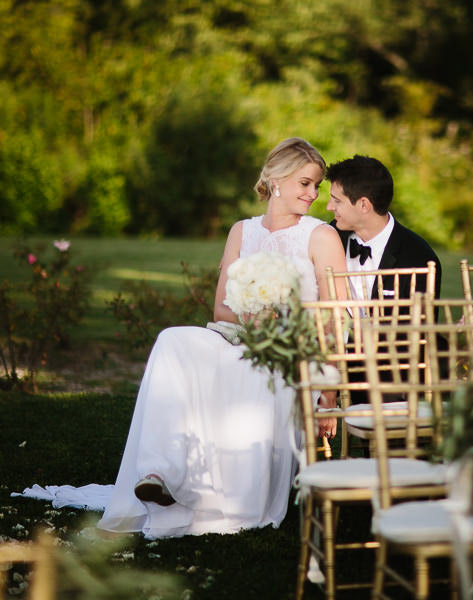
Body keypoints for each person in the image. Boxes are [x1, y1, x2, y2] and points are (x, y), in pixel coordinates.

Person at [96, 138, 347, 538]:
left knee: (253, 372)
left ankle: (212, 497)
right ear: (275, 179)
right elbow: (221, 310)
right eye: (305, 183)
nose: (312, 194)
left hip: (292, 352)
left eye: (316, 186)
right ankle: (159, 473)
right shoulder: (241, 232)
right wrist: (255, 316)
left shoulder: (320, 236)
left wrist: (329, 385)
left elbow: (336, 317)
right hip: (236, 336)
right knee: (173, 341)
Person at [325, 155, 442, 300]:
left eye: (337, 201)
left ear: (364, 205)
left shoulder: (419, 258)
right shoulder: (329, 237)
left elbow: (422, 321)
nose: (329, 207)